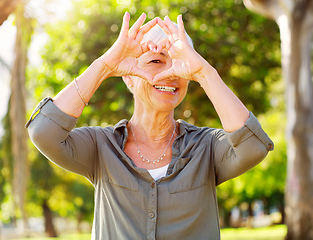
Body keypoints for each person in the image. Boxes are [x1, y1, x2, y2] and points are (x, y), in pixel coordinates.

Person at [26, 12, 274, 240]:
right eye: (156, 61)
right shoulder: (101, 146)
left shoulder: (206, 147)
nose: (170, 73)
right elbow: (44, 132)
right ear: (128, 77)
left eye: (178, 62)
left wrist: (203, 72)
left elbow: (253, 146)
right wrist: (105, 66)